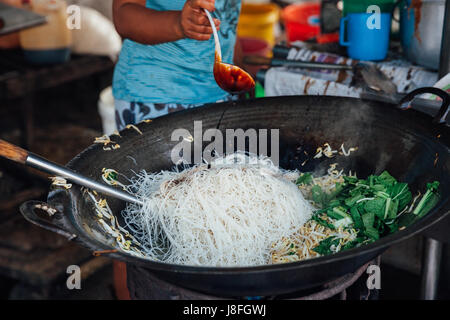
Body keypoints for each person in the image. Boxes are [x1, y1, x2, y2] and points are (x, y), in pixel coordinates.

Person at [112, 0, 243, 130]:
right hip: (156, 96)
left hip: (222, 93)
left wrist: (240, 70)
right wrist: (179, 24)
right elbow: (123, 14)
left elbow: (225, 17)